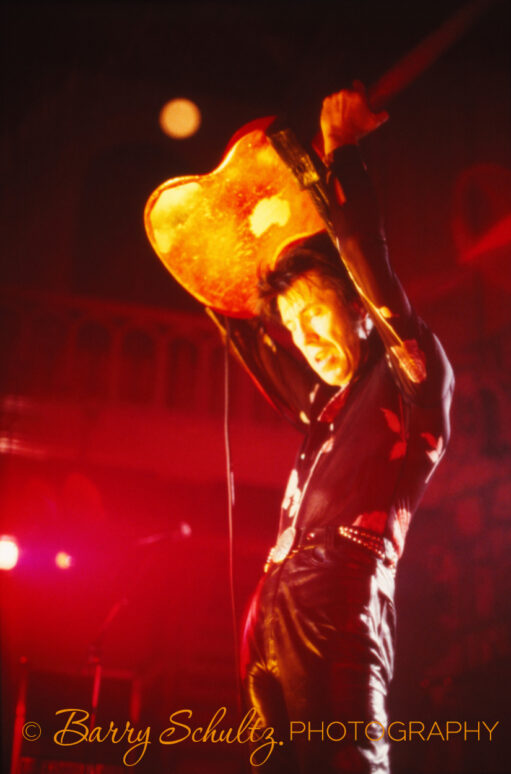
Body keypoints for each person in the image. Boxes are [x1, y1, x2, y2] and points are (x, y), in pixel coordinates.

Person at [209, 85, 454, 773]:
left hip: (337, 615)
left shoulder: (411, 374)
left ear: (354, 311)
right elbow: (243, 333)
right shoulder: (323, 410)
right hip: (268, 630)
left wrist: (341, 158)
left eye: (316, 315)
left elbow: (367, 262)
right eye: (293, 329)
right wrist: (225, 241)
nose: (304, 337)